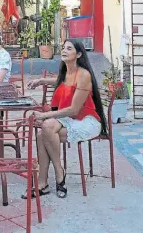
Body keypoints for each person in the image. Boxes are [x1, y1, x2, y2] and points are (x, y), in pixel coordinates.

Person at [22, 39, 107, 199]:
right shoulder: (66, 72)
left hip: (86, 120)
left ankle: (54, 175)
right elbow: (62, 83)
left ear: (79, 54)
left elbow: (74, 109)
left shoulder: (84, 74)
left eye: (69, 48)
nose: (64, 50)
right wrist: (41, 80)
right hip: (69, 118)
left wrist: (45, 115)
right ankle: (46, 181)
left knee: (44, 132)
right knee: (44, 132)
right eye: (63, 48)